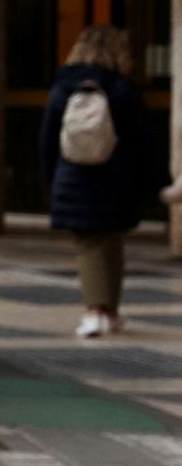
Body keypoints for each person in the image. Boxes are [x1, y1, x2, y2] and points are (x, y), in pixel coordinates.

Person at [39, 25, 166, 338]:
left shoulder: (63, 89)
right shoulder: (122, 90)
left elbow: (47, 141)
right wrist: (155, 180)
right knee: (111, 240)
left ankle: (94, 311)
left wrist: (51, 180)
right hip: (115, 177)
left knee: (89, 242)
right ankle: (109, 310)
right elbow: (143, 140)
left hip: (74, 176)